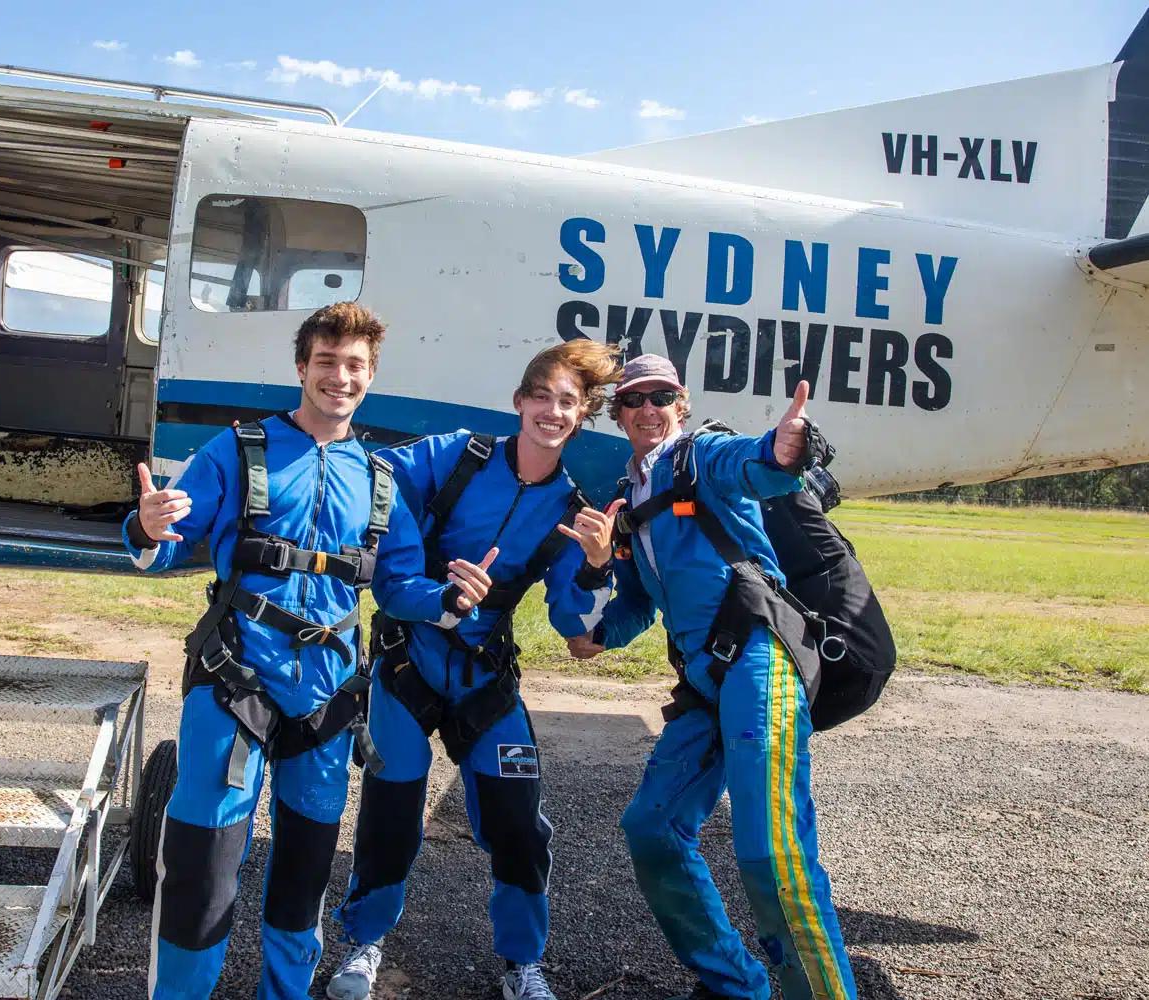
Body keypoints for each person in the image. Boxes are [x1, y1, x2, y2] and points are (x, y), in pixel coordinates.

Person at [123, 302, 499, 1000]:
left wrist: (448, 603)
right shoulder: (239, 450)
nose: (339, 377)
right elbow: (166, 529)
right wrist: (145, 527)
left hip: (327, 697)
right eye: (326, 362)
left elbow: (398, 583)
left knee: (304, 872)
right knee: (203, 866)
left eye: (354, 365)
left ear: (370, 376)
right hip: (234, 679)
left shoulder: (379, 480)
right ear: (302, 368)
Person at [326, 340, 624, 1000]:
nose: (551, 410)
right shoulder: (459, 456)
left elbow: (576, 627)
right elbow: (377, 478)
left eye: (567, 403)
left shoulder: (571, 511)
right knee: (391, 816)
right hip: (408, 665)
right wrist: (433, 592)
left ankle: (522, 963)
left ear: (580, 418)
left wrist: (600, 565)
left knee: (520, 824)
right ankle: (363, 946)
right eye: (541, 396)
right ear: (519, 402)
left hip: (485, 680)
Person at [567, 354, 858, 1000]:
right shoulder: (631, 497)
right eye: (634, 399)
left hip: (759, 659)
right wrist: (597, 634)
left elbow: (754, 467)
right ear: (617, 414)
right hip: (704, 681)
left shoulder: (702, 457)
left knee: (770, 855)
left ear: (682, 403)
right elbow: (641, 603)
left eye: (660, 396)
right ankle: (737, 985)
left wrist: (783, 452)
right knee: (652, 828)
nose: (648, 409)